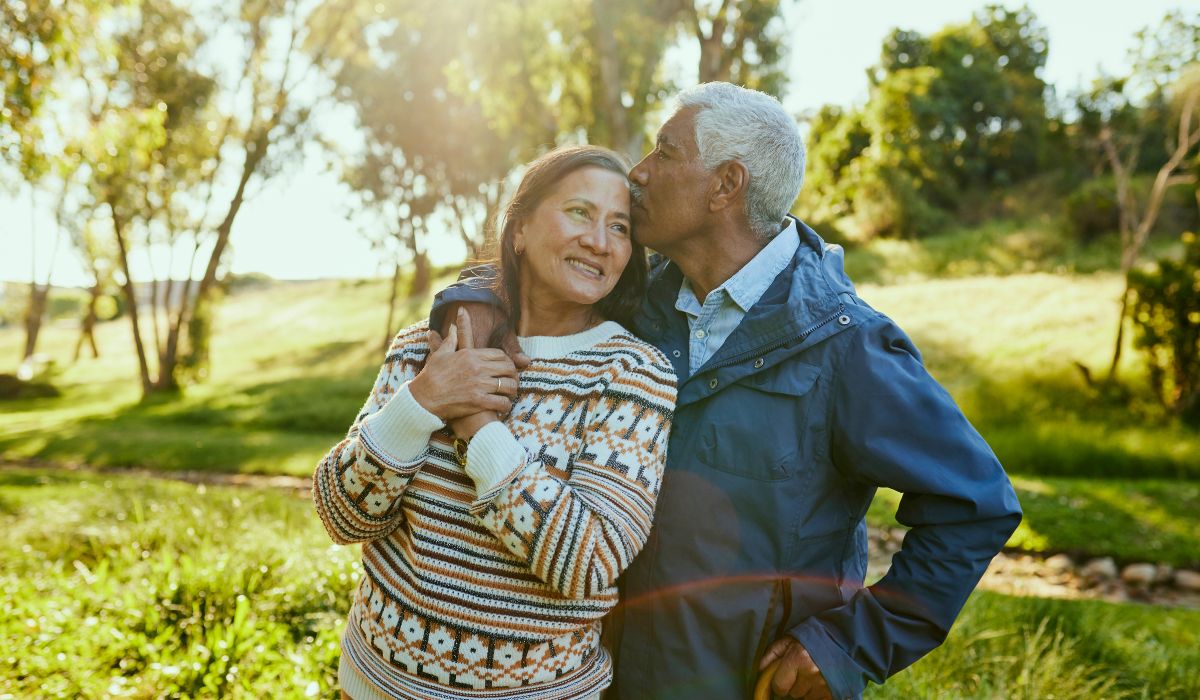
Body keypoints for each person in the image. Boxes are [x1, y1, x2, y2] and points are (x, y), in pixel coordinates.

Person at [431, 82, 1023, 700]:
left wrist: (850, 644)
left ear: (725, 185)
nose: (639, 173)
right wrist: (472, 314)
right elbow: (524, 269)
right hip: (605, 681)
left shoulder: (846, 344)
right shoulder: (637, 296)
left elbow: (975, 505)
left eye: (665, 152)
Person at [313, 145, 678, 700]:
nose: (599, 241)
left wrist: (478, 425)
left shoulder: (633, 374)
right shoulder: (426, 348)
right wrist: (422, 401)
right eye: (579, 212)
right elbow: (341, 517)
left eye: (619, 226)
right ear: (520, 229)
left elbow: (589, 563)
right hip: (372, 683)